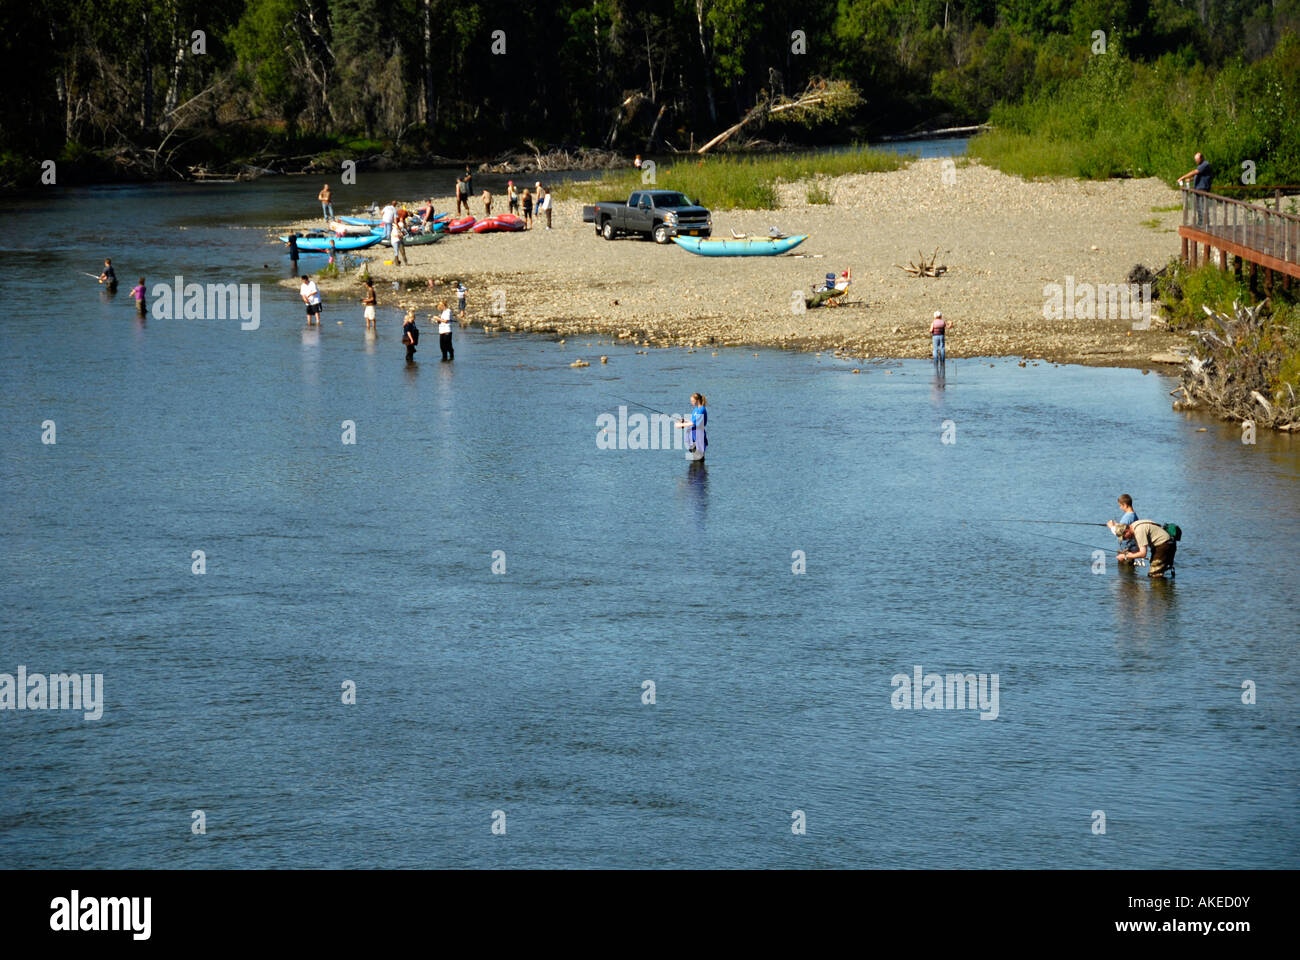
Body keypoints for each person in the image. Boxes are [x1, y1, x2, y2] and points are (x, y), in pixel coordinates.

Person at [1176, 152, 1213, 226]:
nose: (1196, 161)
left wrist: (1182, 177)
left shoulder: (1205, 164)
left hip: (1203, 189)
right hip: (1198, 189)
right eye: (1195, 160)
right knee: (1198, 207)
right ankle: (1200, 222)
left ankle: (1205, 223)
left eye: (1197, 159)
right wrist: (1191, 180)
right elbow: (1200, 175)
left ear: (1201, 158)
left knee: (1202, 206)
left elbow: (1195, 172)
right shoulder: (1201, 166)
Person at [1106, 494, 1139, 562]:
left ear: (1125, 505)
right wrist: (1117, 525)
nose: (1120, 508)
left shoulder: (1127, 517)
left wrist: (1111, 527)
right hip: (1131, 548)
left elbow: (1120, 533)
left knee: (1125, 571)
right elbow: (1126, 528)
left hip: (1127, 549)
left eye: (1120, 505)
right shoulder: (1133, 515)